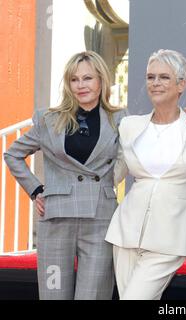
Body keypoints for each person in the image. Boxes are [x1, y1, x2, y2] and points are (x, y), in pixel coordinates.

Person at [3, 51, 128, 299]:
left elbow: (130, 157)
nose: (80, 85)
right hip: (56, 219)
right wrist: (36, 190)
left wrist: (107, 184)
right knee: (53, 295)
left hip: (100, 220)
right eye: (74, 79)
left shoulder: (120, 119)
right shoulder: (48, 119)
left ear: (101, 80)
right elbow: (13, 154)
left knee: (93, 295)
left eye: (88, 78)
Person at [105, 49, 186, 300]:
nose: (155, 83)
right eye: (150, 77)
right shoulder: (130, 126)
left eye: (164, 77)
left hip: (171, 234)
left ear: (181, 84)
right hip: (126, 232)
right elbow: (112, 175)